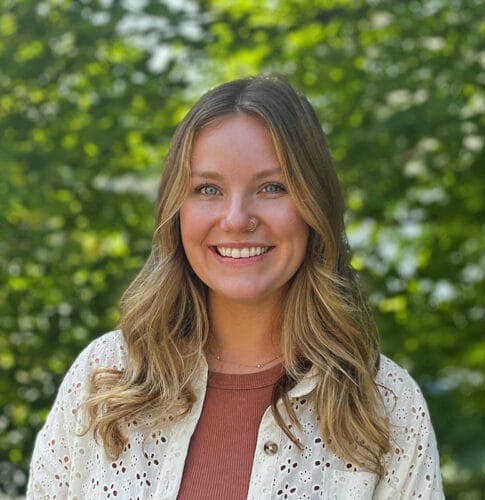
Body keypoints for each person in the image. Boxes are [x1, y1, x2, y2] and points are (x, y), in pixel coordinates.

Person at [28, 75, 444, 499]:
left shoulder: (387, 406)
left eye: (272, 187)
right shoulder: (104, 378)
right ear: (176, 211)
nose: (236, 218)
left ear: (314, 207)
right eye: (208, 189)